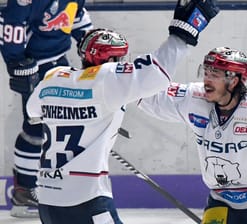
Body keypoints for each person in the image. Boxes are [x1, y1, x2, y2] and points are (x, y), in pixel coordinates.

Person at [25, 0, 220, 223]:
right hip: (86, 199)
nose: (122, 61)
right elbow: (157, 72)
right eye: (119, 57)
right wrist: (183, 33)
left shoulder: (54, 77)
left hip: (48, 199)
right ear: (110, 59)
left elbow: (33, 112)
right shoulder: (107, 77)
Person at [137, 46, 247, 224]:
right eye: (205, 72)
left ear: (234, 81)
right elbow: (147, 94)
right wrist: (120, 83)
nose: (206, 80)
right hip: (222, 199)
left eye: (214, 74)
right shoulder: (193, 97)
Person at [0, 0, 93, 217]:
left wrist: (94, 44)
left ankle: (54, 187)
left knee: (62, 129)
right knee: (37, 129)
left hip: (60, 64)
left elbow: (77, 19)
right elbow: (10, 25)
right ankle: (24, 191)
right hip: (35, 67)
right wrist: (17, 64)